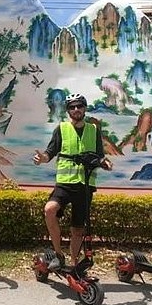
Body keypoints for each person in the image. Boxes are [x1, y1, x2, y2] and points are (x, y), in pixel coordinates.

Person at [32, 93, 113, 271]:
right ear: (68, 110)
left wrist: (105, 163)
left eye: (79, 106)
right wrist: (41, 159)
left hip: (85, 185)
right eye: (72, 107)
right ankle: (59, 255)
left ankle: (75, 263)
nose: (76, 110)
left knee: (78, 229)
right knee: (49, 210)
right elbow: (49, 153)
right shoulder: (61, 129)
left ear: (84, 108)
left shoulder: (93, 130)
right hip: (65, 183)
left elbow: (99, 156)